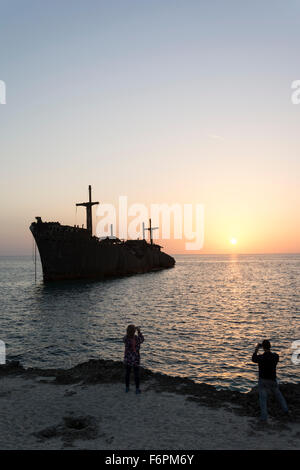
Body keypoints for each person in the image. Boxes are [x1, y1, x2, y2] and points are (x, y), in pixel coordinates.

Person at [252, 340, 288, 422]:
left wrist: (256, 349)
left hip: (263, 380)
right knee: (278, 395)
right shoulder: (275, 356)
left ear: (263, 348)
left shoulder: (261, 357)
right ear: (270, 346)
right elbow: (275, 355)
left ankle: (264, 417)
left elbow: (253, 359)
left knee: (263, 398)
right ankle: (285, 409)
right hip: (272, 380)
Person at [123, 324, 144, 394]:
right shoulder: (137, 339)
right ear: (134, 331)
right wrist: (139, 331)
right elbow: (142, 339)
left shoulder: (126, 339)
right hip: (136, 359)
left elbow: (124, 338)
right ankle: (137, 389)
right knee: (136, 374)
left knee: (127, 374)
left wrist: (132, 330)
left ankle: (127, 388)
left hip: (128, 359)